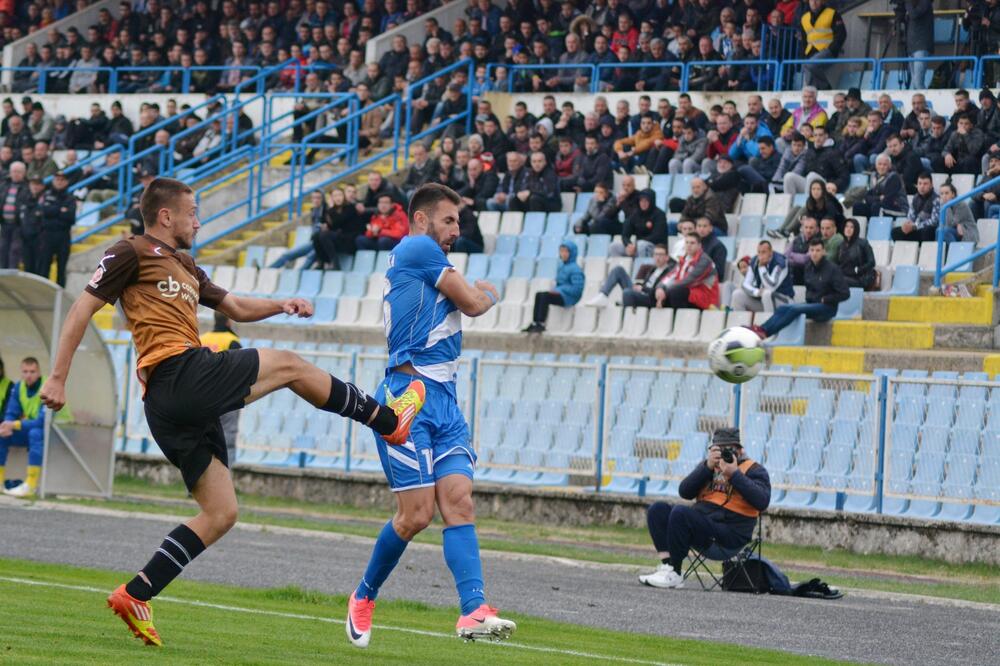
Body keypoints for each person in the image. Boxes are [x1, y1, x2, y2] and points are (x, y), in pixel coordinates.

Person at [39, 177, 426, 647]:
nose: (198, 221)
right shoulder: (130, 252)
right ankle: (389, 421)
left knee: (221, 512)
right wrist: (58, 376)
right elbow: (81, 309)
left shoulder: (185, 265)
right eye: (193, 213)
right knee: (287, 365)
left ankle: (136, 593)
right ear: (166, 216)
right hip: (175, 374)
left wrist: (280, 304)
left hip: (172, 404)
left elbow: (236, 306)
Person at [347, 183, 516, 648]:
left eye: (458, 223)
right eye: (449, 220)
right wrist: (487, 294)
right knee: (416, 516)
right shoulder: (418, 247)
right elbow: (475, 304)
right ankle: (364, 595)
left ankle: (473, 611)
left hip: (444, 402)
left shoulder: (430, 260)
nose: (456, 231)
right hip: (407, 399)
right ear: (421, 220)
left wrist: (475, 294)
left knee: (459, 501)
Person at [639, 427, 770, 589]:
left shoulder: (754, 470)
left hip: (730, 536)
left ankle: (675, 572)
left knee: (681, 513)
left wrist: (735, 474)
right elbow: (684, 492)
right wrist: (707, 467)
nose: (724, 453)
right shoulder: (709, 467)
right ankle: (668, 567)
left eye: (729, 449)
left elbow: (762, 501)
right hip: (704, 526)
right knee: (657, 510)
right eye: (719, 449)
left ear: (740, 450)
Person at [749, 238, 849, 339]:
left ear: (824, 252)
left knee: (794, 309)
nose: (814, 253)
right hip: (812, 305)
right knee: (783, 308)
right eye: (812, 250)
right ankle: (761, 329)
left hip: (827, 308)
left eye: (818, 250)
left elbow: (845, 293)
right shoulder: (808, 267)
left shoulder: (833, 269)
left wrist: (827, 299)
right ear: (809, 251)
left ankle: (766, 333)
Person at [0, 357, 47, 498]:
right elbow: (11, 412)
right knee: (3, 434)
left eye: (32, 371)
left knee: (35, 433)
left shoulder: (47, 386)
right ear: (21, 373)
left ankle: (31, 485)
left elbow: (42, 421)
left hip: (60, 431)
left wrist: (13, 424)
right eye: (25, 371)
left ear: (39, 372)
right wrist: (6, 426)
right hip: (32, 428)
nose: (28, 375)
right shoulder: (19, 387)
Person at [199, 313, 242, 465]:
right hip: (225, 397)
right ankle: (225, 481)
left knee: (201, 441)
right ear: (229, 321)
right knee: (226, 440)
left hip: (202, 398)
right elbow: (238, 371)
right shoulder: (232, 341)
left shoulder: (202, 339)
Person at [586, 243, 675, 308]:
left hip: (651, 298)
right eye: (655, 254)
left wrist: (643, 289)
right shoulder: (653, 269)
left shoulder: (669, 272)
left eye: (660, 255)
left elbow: (660, 291)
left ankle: (626, 310)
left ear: (667, 257)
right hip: (642, 292)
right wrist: (640, 286)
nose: (657, 257)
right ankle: (603, 295)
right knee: (618, 270)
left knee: (627, 292)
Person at [523, 240, 584, 333]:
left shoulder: (575, 269)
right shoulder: (562, 266)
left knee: (545, 296)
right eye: (561, 251)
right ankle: (535, 322)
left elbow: (577, 289)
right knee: (539, 294)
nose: (563, 254)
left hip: (569, 297)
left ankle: (541, 323)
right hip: (562, 293)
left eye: (565, 251)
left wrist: (559, 291)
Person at [656, 233, 720, 310]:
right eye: (687, 242)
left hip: (705, 298)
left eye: (692, 243)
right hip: (689, 294)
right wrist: (660, 288)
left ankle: (680, 320)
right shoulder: (684, 260)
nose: (689, 245)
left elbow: (689, 281)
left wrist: (666, 291)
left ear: (699, 246)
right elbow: (670, 277)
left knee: (675, 292)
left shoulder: (704, 261)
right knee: (656, 292)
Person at [35, 171, 76, 287]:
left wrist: (52, 211)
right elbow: (43, 213)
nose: (59, 182)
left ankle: (60, 295)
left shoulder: (70, 198)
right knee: (44, 267)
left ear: (66, 182)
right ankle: (42, 293)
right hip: (47, 235)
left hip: (63, 236)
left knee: (61, 269)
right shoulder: (46, 195)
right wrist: (60, 210)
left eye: (62, 180)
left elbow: (70, 217)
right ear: (53, 181)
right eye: (57, 179)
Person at [731, 240, 794, 312]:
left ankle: (770, 323)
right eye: (758, 252)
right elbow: (745, 284)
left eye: (764, 252)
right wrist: (757, 292)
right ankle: (741, 322)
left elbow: (771, 287)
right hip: (765, 300)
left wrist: (762, 267)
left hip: (784, 301)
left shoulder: (781, 262)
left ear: (770, 252)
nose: (760, 255)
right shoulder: (754, 261)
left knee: (767, 294)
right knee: (737, 294)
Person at [798, 0, 846, 90]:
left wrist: (832, 50)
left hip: (827, 50)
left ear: (823, 1)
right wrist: (804, 54)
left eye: (817, 0)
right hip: (810, 52)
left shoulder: (832, 13)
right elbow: (804, 39)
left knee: (811, 65)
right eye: (811, 0)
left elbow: (841, 34)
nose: (814, 2)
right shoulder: (804, 17)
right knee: (807, 69)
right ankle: (812, 92)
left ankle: (826, 87)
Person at [610, 190, 668, 258]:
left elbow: (657, 236)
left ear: (651, 202)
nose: (643, 203)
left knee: (642, 245)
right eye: (641, 201)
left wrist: (637, 244)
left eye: (646, 201)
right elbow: (625, 234)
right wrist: (628, 245)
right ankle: (621, 265)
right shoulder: (635, 214)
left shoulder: (660, 215)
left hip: (656, 247)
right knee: (614, 246)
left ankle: (643, 266)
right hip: (637, 246)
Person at [893, 173, 940, 242]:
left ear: (931, 185)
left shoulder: (936, 199)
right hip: (915, 228)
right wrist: (908, 225)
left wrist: (916, 226)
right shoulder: (915, 198)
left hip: (927, 229)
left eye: (925, 184)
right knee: (895, 232)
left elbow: (934, 221)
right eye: (920, 183)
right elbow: (910, 216)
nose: (922, 186)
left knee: (927, 231)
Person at [0, 161, 30, 270]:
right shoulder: (4, 185)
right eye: (14, 171)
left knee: (14, 251)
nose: (16, 174)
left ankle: (11, 274)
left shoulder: (27, 187)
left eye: (19, 172)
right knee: (2, 249)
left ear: (24, 173)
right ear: (10, 172)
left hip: (18, 225)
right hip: (4, 224)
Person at [837, 218, 877, 290]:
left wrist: (858, 270)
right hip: (846, 275)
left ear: (856, 229)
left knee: (840, 281)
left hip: (861, 277)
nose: (848, 229)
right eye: (846, 226)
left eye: (852, 227)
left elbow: (872, 262)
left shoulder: (863, 243)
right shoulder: (841, 245)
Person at [906, 0, 934, 88]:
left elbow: (914, 14)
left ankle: (923, 101)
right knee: (914, 83)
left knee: (918, 82)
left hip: (922, 45)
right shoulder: (912, 4)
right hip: (911, 45)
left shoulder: (925, 2)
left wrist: (907, 3)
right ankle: (918, 101)